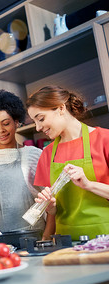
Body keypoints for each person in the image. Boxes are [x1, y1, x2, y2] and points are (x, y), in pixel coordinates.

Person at [26, 85, 109, 240]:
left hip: (105, 238)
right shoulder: (47, 153)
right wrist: (46, 236)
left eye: (41, 119)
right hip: (65, 242)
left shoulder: (105, 139)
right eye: (34, 122)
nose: (37, 128)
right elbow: (52, 216)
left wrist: (89, 185)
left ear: (61, 108)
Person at [0, 90, 52, 238]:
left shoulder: (32, 154)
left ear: (16, 121)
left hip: (34, 237)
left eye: (6, 123)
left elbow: (50, 202)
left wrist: (46, 237)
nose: (1, 131)